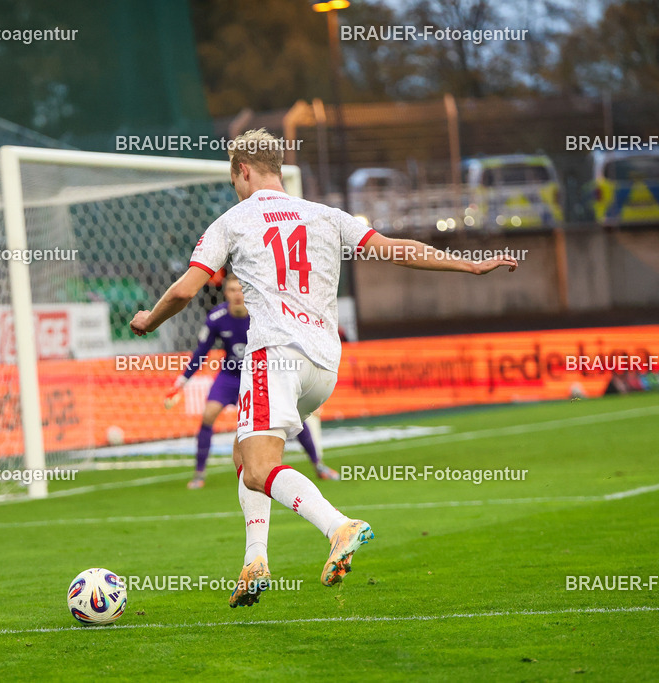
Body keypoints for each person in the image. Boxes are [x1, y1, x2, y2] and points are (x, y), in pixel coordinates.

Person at [130, 128, 517, 608]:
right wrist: (468, 264)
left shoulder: (232, 220)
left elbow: (187, 290)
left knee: (258, 467)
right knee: (243, 458)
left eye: (235, 178)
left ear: (242, 171)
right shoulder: (327, 216)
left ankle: (339, 526)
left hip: (274, 355)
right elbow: (397, 248)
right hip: (324, 366)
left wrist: (149, 319)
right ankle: (255, 562)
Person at [169, 273, 339, 489]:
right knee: (208, 414)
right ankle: (199, 474)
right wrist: (183, 380)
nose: (237, 294)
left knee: (292, 415)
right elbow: (201, 352)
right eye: (231, 290)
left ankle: (318, 465)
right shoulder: (216, 318)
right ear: (225, 293)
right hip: (230, 375)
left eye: (240, 289)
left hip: (262, 374)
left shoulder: (263, 314)